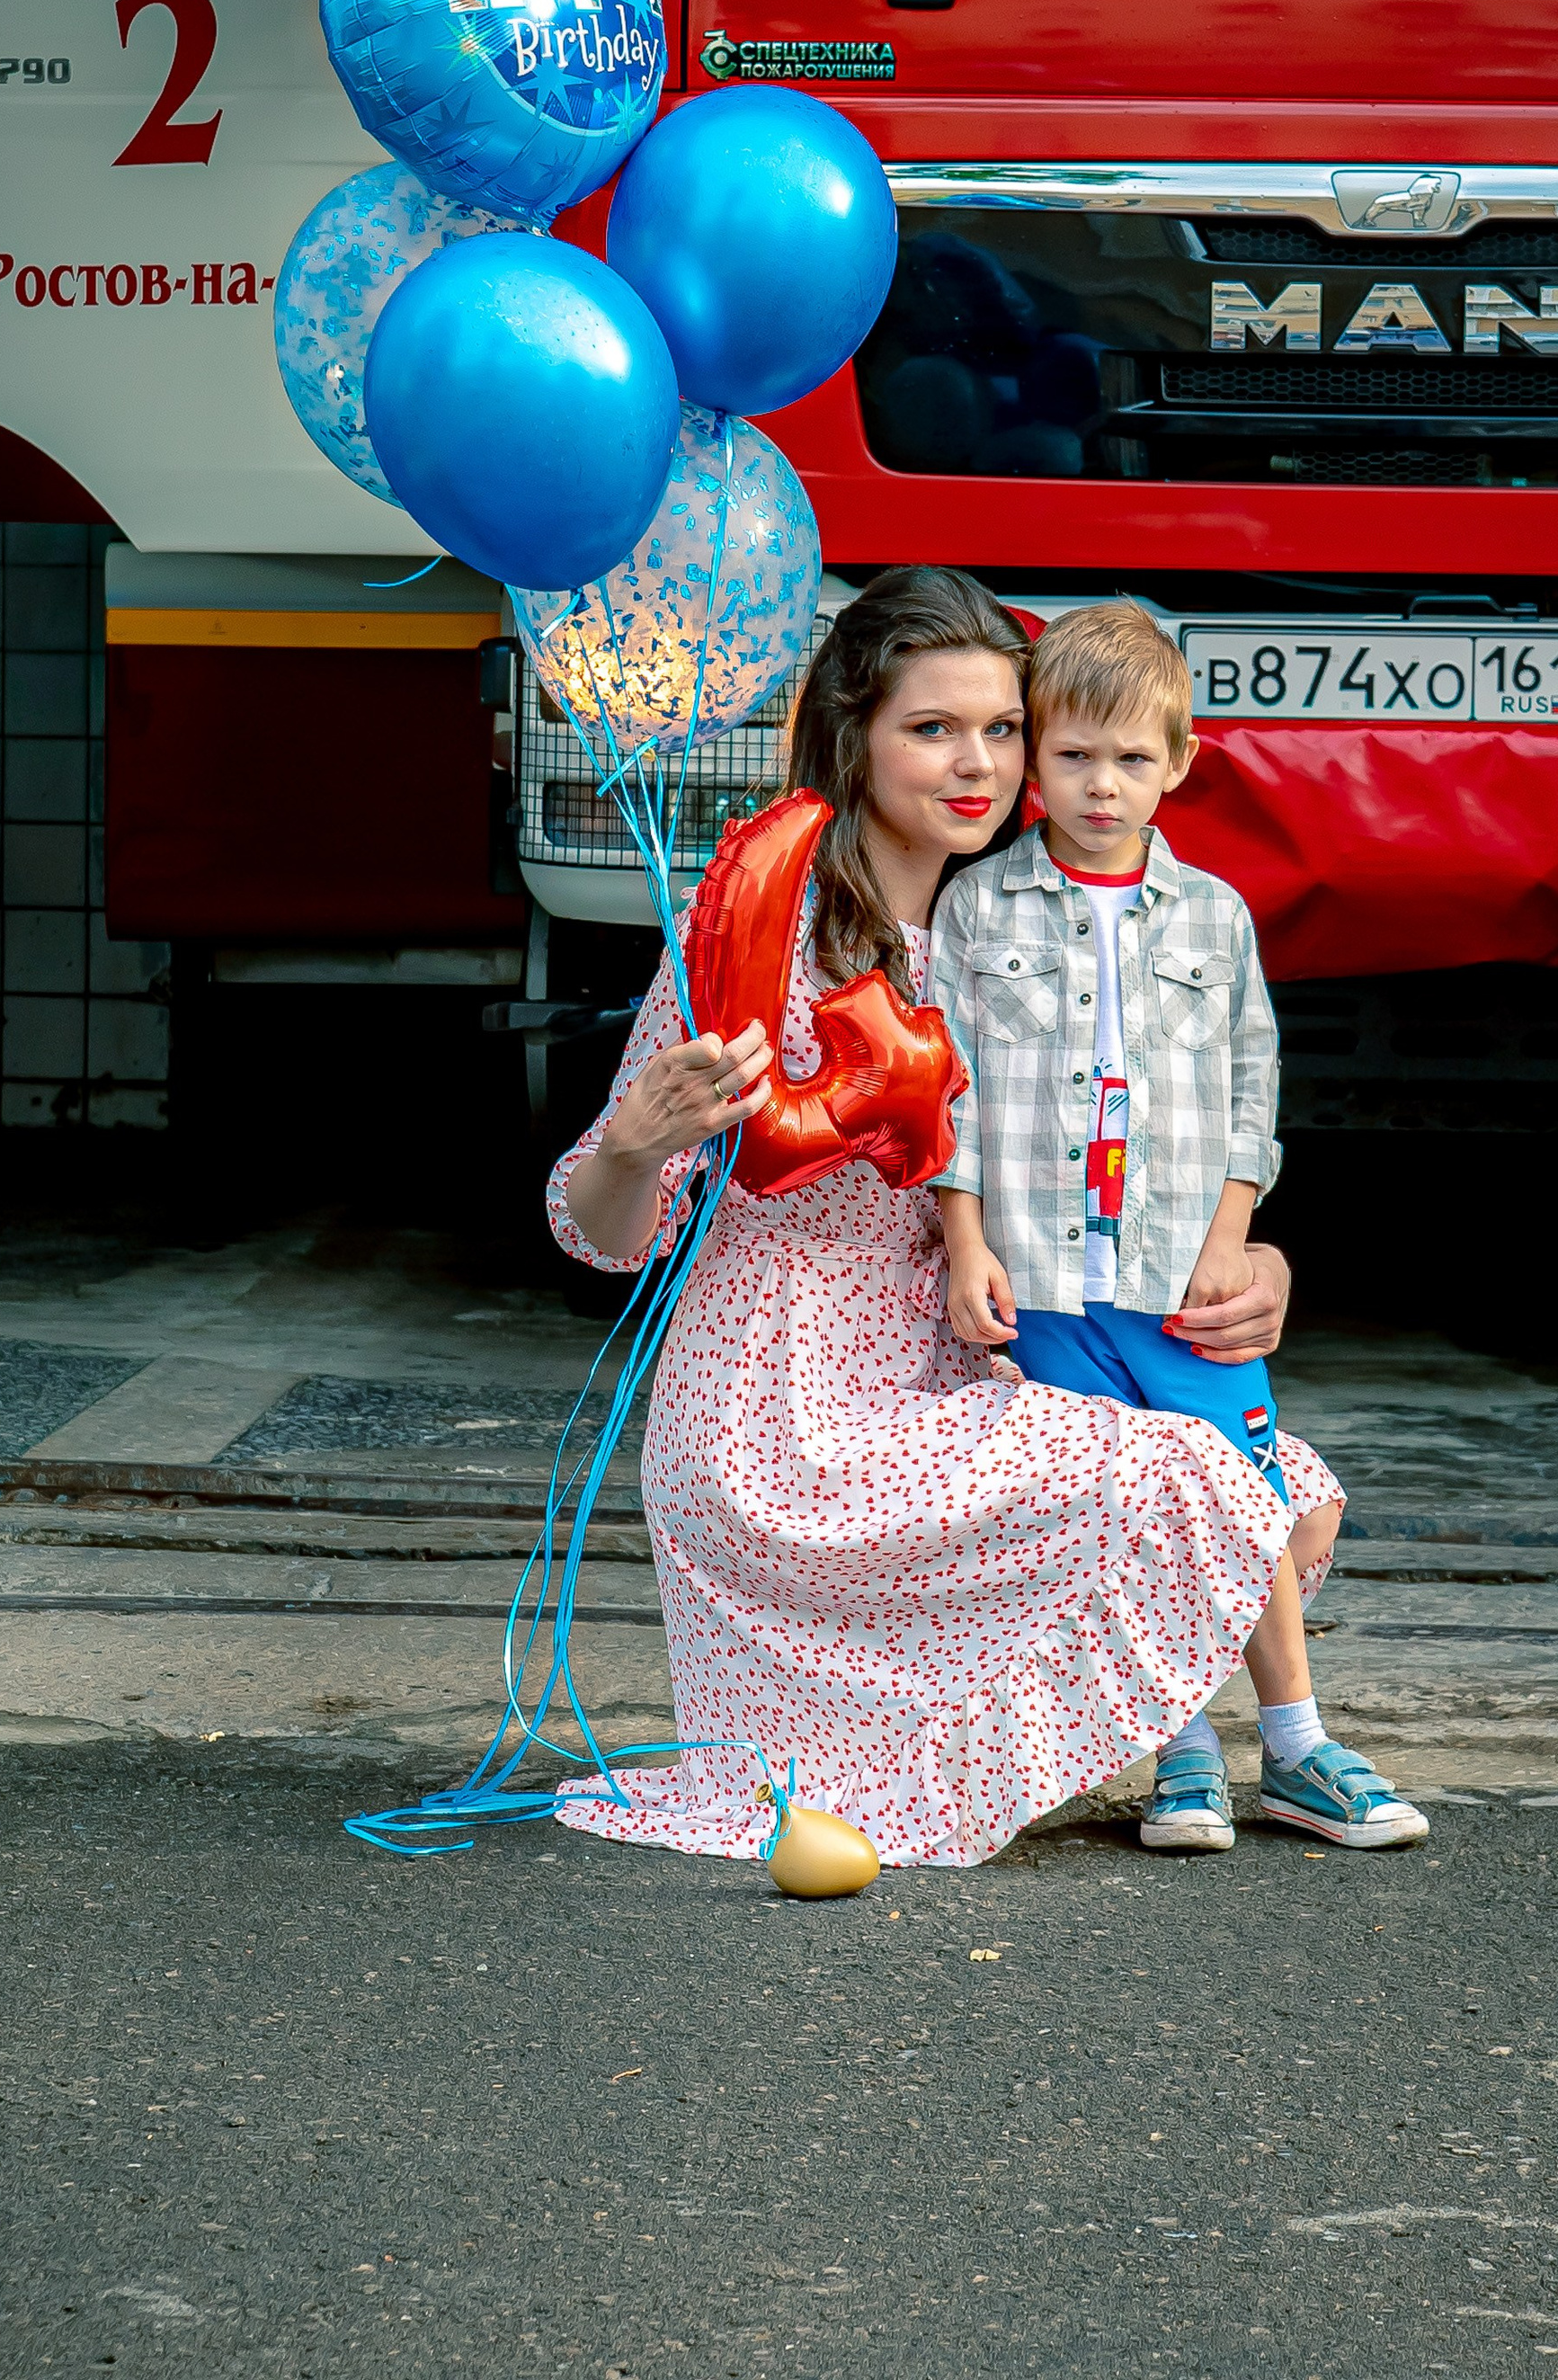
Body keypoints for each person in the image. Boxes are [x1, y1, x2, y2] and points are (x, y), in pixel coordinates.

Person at [549, 566, 1332, 1870]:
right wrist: (638, 1140)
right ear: (852, 736)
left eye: (1002, 730)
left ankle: (1188, 1754)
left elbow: (1182, 1124)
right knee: (1202, 1486)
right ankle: (1160, 1755)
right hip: (784, 1399)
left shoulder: (1038, 920)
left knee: (1285, 1497)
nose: (978, 764)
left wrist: (1255, 1251)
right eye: (932, 730)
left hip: (971, 1352)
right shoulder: (761, 926)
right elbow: (596, 1228)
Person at [932, 600, 1429, 1854]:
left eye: (1133, 758)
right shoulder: (979, 910)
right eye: (1074, 756)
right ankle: (1180, 1748)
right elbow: (949, 1089)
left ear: (1181, 761)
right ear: (1033, 757)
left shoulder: (1214, 917)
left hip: (1175, 1273)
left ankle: (1301, 1745)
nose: (1103, 786)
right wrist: (966, 1240)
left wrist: (1235, 1231)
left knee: (1241, 1493)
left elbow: (1252, 1088)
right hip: (1047, 1274)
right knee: (1125, 1504)